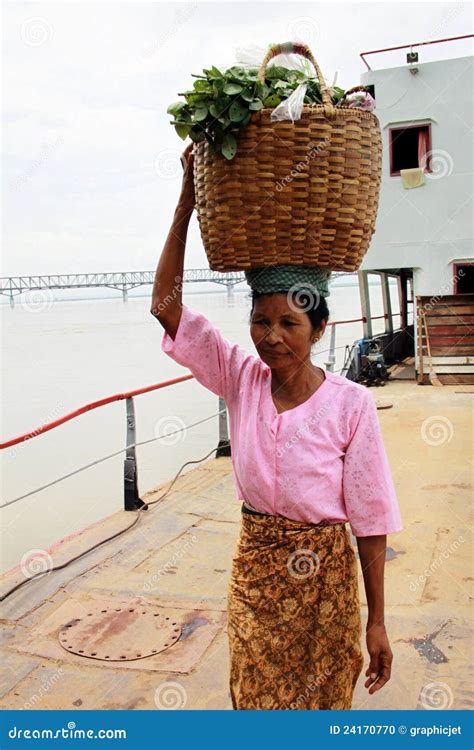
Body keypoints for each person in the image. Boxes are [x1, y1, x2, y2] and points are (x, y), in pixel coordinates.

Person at [150, 142, 403, 710]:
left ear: (317, 330)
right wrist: (186, 205)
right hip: (256, 571)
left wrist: (378, 621)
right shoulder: (240, 378)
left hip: (327, 584)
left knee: (322, 703)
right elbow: (165, 307)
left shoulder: (351, 404)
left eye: (289, 321)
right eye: (260, 320)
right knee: (256, 700)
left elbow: (370, 517)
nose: (270, 336)